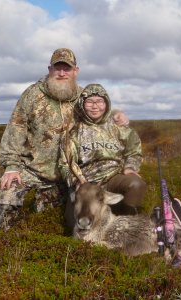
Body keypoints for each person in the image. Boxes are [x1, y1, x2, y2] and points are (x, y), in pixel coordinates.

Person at [0, 48, 128, 231]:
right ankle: (5, 246)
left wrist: (117, 116)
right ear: (50, 69)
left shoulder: (83, 97)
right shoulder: (32, 95)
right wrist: (11, 167)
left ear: (76, 71)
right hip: (30, 169)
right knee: (6, 202)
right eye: (58, 68)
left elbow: (99, 114)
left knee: (51, 221)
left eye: (67, 68)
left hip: (65, 177)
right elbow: (16, 129)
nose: (62, 73)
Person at [59, 83, 147, 231]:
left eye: (99, 101)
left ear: (106, 103)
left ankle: (126, 225)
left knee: (136, 184)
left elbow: (134, 149)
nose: (95, 106)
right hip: (86, 183)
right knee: (73, 225)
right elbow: (64, 164)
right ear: (82, 103)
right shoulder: (73, 131)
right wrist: (76, 181)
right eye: (89, 102)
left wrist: (130, 167)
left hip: (114, 177)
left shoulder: (117, 127)